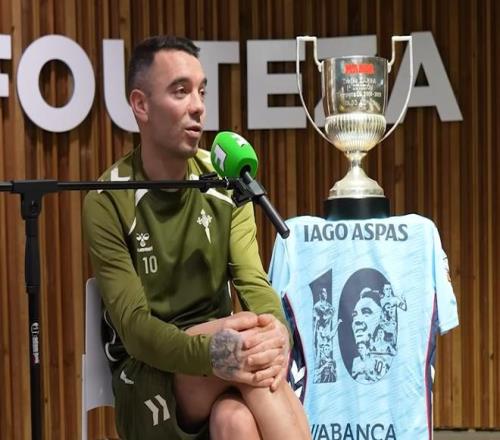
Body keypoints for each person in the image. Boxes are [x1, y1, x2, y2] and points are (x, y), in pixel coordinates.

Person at [83, 35, 311, 440]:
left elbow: (254, 283)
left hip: (226, 352)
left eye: (201, 91)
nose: (198, 106)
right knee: (244, 347)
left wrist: (277, 330)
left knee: (235, 421)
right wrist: (218, 351)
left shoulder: (227, 182)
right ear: (141, 105)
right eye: (180, 91)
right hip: (148, 373)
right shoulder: (107, 200)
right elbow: (136, 330)